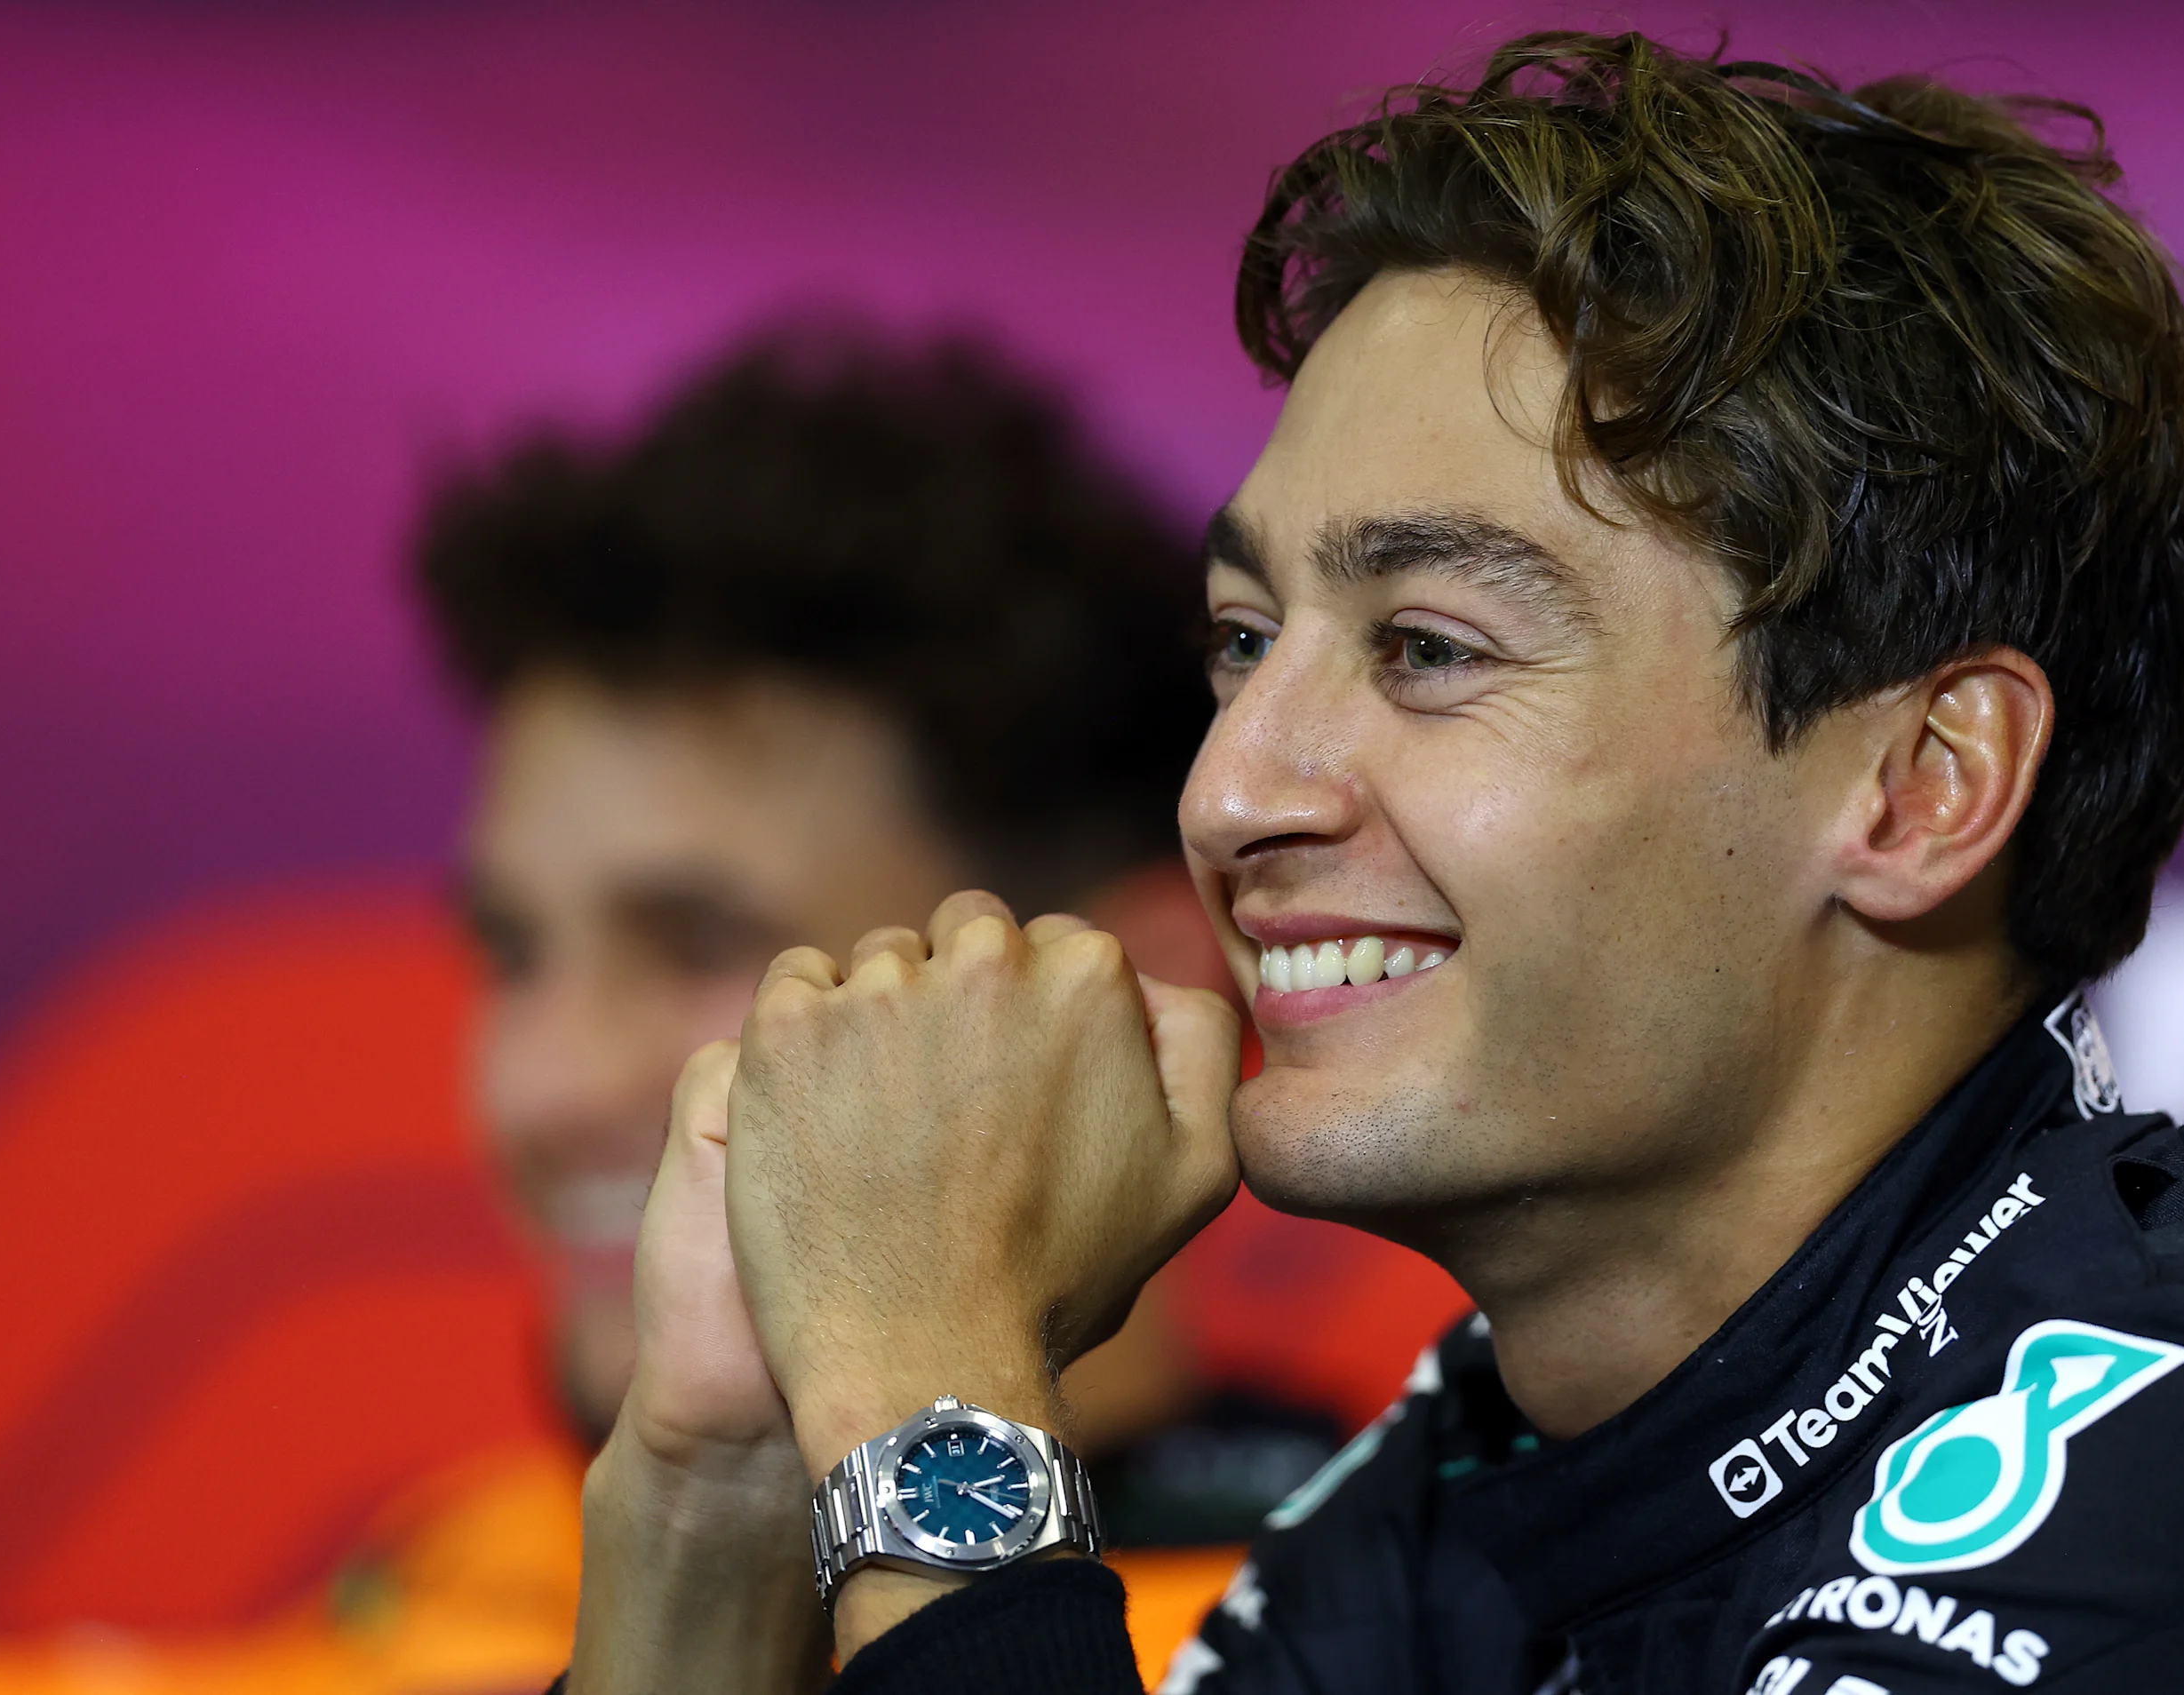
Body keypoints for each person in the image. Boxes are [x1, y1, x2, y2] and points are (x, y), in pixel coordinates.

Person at [568, 33, 2184, 1695]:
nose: (1235, 789)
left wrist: (933, 1401)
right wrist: (724, 1471)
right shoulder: (1480, 1483)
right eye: (1244, 645)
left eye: (1425, 651)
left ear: (1914, 790)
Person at [418, 325, 1463, 1572]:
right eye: (515, 952)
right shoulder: (428, 1586)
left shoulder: (1404, 1618)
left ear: (1131, 995)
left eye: (701, 944)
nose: (544, 1090)